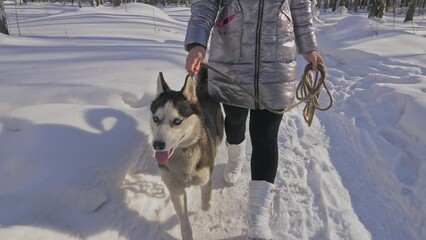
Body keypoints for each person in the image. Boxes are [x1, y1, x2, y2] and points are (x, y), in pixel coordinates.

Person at [184, 0, 323, 239]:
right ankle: (236, 158)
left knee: (266, 136)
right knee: (235, 122)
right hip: (232, 56)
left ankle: (257, 217)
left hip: (277, 58)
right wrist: (197, 42)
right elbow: (206, 4)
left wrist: (309, 46)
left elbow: (300, 6)